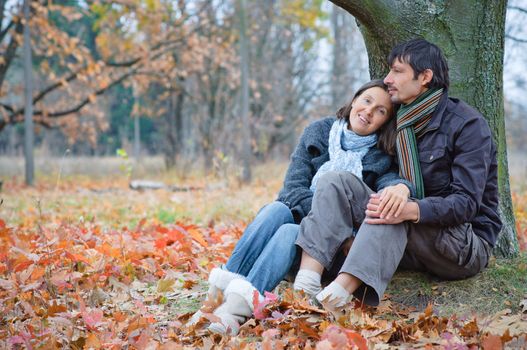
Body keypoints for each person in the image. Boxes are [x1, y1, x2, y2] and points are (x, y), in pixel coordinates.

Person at [187, 79, 415, 335]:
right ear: (354, 100)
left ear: (385, 121)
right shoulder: (318, 131)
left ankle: (233, 312)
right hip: (297, 224)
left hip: (327, 248)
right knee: (276, 210)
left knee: (289, 232)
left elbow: (390, 184)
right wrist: (323, 213)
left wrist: (401, 187)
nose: (369, 111)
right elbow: (291, 189)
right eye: (367, 100)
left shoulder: (382, 155)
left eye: (381, 110)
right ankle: (216, 297)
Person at [293, 38, 502, 310]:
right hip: (410, 238)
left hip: (462, 243)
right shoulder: (400, 122)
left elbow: (466, 204)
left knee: (390, 209)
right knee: (337, 181)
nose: (387, 78)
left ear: (425, 77)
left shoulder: (467, 125)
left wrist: (410, 209)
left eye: (397, 71)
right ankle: (305, 284)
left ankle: (336, 298)